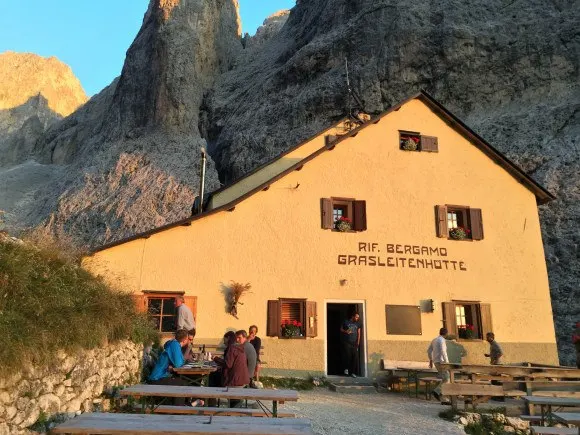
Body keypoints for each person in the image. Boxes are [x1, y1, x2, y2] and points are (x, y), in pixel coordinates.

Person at [147, 329, 190, 405]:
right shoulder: (175, 345)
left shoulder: (172, 344)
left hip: (159, 377)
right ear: (185, 339)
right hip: (157, 378)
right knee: (182, 384)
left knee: (182, 381)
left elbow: (178, 362)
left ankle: (183, 406)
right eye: (188, 339)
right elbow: (178, 364)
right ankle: (178, 410)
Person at [428, 327, 450, 404]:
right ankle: (438, 392)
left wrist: (430, 360)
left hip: (436, 362)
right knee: (447, 378)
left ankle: (442, 397)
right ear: (446, 333)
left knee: (444, 378)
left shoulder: (434, 340)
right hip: (442, 362)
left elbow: (429, 350)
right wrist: (447, 362)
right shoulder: (442, 340)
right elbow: (443, 351)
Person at [340, 312, 360, 377]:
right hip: (347, 342)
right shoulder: (346, 322)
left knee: (355, 357)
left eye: (358, 317)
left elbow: (359, 333)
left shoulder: (358, 323)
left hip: (354, 343)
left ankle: (353, 372)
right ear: (352, 316)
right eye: (356, 317)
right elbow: (341, 329)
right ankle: (346, 370)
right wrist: (346, 331)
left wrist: (358, 343)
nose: (357, 318)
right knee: (348, 356)